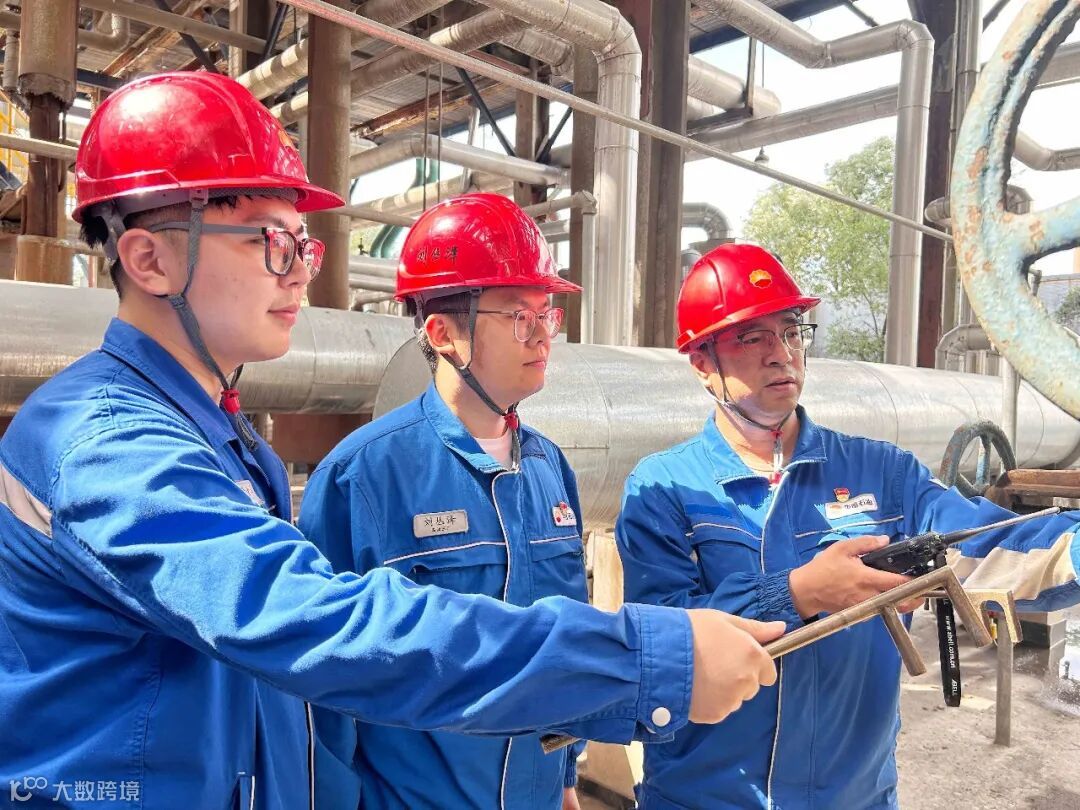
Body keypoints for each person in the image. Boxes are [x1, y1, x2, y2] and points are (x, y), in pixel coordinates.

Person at [0, 73, 783, 809]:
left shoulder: (229, 442)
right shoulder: (104, 441)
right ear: (150, 258)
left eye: (304, 246)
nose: (300, 274)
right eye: (271, 242)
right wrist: (645, 659)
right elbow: (319, 626)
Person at [616, 242, 1080, 809]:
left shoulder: (881, 472)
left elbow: (989, 547)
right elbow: (662, 641)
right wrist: (796, 594)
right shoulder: (665, 487)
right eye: (752, 337)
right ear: (702, 363)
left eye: (791, 331)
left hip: (853, 795)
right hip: (706, 797)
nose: (781, 354)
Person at [301, 192, 599, 809]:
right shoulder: (364, 476)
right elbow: (321, 690)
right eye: (519, 316)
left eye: (547, 314)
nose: (543, 336)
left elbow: (565, 639)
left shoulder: (549, 468)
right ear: (443, 333)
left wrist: (566, 775)